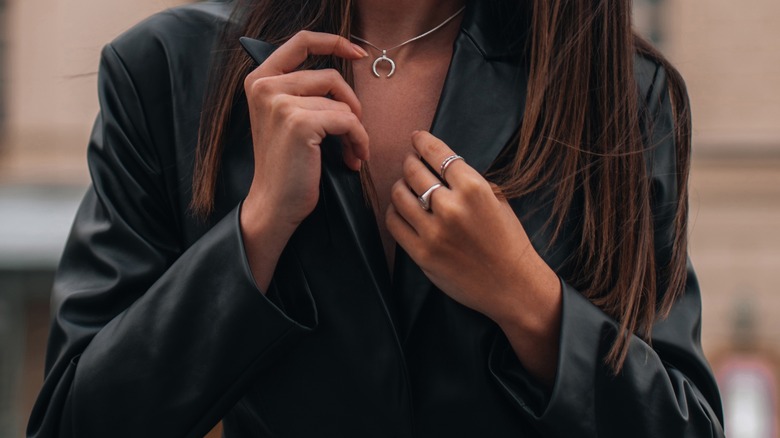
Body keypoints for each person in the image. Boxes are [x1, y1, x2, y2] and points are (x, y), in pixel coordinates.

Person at [27, 0, 725, 436]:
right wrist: (257, 230)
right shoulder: (167, 73)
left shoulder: (618, 96)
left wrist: (530, 302)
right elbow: (73, 421)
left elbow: (682, 422)